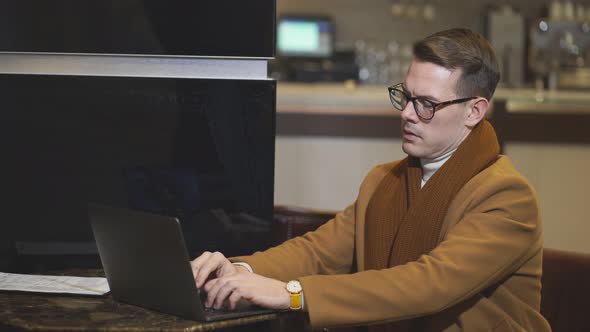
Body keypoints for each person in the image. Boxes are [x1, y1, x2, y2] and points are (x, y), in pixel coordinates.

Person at [190, 28, 551, 331]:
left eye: (426, 103)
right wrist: (240, 269)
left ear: (474, 111)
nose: (407, 114)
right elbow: (319, 252)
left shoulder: (506, 195)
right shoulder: (384, 180)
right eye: (405, 97)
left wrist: (293, 293)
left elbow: (428, 285)